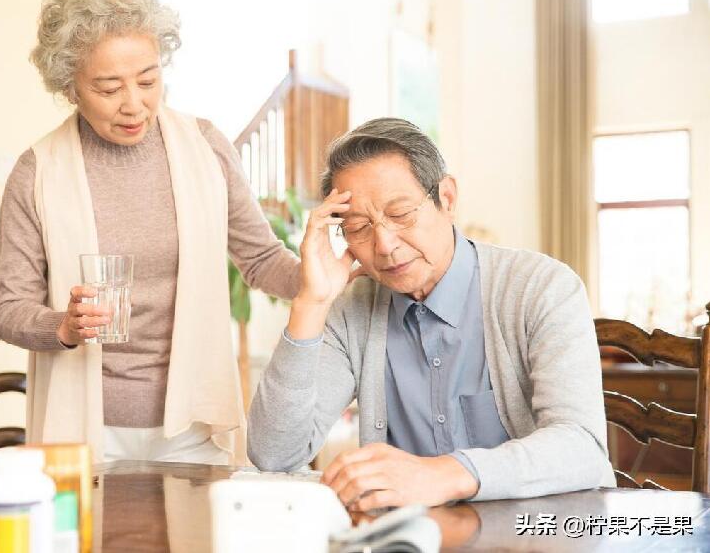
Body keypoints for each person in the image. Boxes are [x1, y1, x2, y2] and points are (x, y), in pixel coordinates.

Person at [0, 0, 300, 465]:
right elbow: (10, 308)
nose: (134, 104)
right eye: (109, 88)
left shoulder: (206, 147)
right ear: (70, 87)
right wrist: (64, 326)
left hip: (193, 424)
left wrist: (317, 277)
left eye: (148, 80)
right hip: (84, 427)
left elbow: (261, 259)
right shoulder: (38, 171)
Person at [248, 117, 615, 510]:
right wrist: (311, 302)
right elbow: (274, 455)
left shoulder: (542, 288)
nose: (385, 245)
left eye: (401, 214)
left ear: (448, 198)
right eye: (357, 227)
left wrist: (444, 474)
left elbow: (581, 446)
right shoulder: (352, 307)